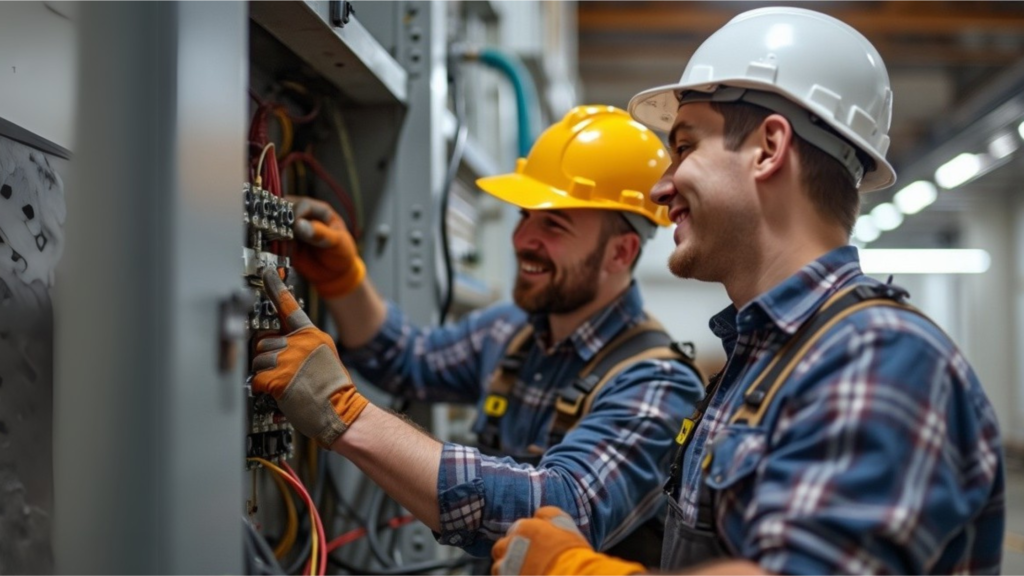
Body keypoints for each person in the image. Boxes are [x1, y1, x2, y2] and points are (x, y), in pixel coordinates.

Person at [489, 7, 1005, 576]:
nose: (661, 187)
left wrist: (573, 571)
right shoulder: (763, 361)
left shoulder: (878, 356)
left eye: (684, 148)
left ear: (768, 148)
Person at [251, 105, 706, 564]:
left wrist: (347, 415)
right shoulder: (512, 330)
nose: (522, 238)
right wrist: (344, 282)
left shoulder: (657, 384)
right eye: (526, 216)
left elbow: (561, 509)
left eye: (553, 224)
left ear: (620, 252)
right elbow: (410, 361)